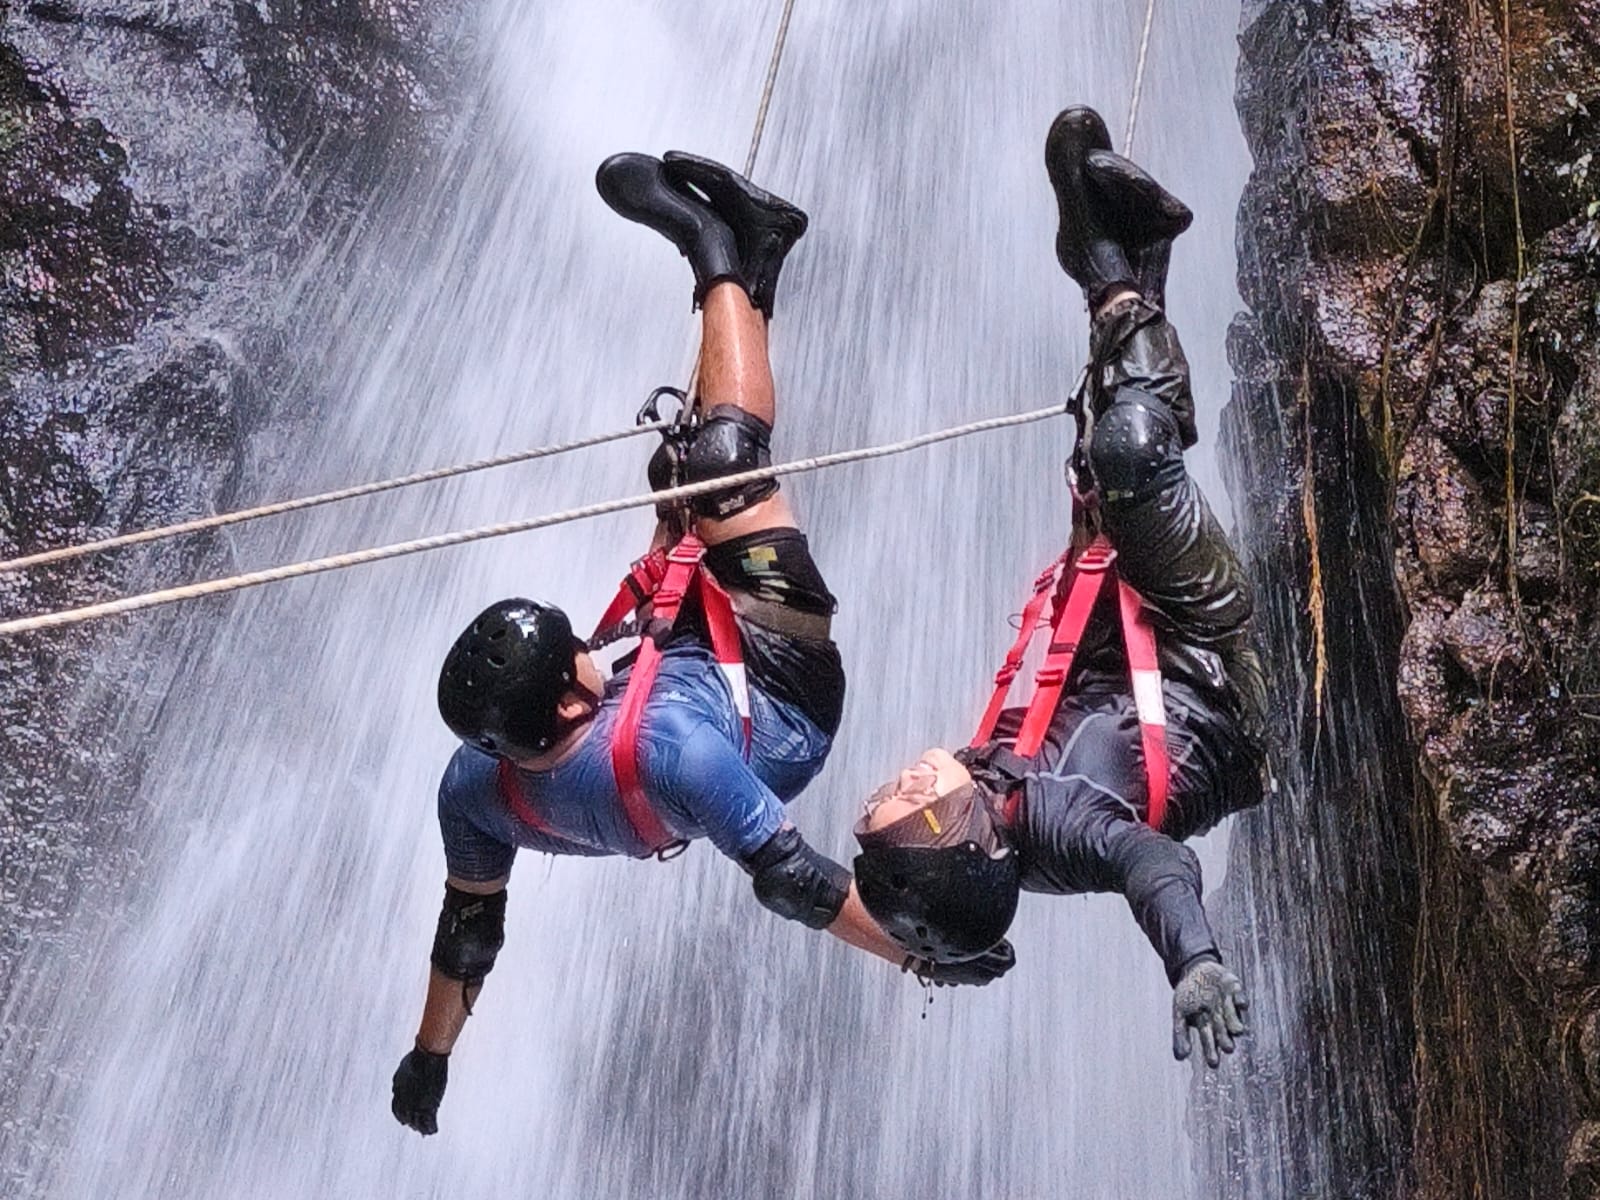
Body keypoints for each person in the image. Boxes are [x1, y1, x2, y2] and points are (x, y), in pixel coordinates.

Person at [390, 151, 1011, 1137]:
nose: (578, 650)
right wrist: (920, 955)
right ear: (563, 704)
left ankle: (753, 255)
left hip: (673, 663)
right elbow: (795, 881)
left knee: (678, 468)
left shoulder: (473, 786)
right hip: (779, 695)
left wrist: (428, 1058)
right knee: (721, 468)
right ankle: (720, 248)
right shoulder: (679, 761)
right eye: (572, 657)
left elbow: (469, 931)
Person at [850, 106, 1269, 1070]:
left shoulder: (988, 787)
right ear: (964, 843)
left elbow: (834, 885)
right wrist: (1192, 962)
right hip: (1218, 670)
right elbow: (1151, 862)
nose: (905, 779)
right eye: (910, 805)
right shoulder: (1055, 828)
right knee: (1128, 454)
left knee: (1104, 463)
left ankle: (1135, 251)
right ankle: (1109, 269)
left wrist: (935, 954)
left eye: (882, 794)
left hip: (1140, 646)